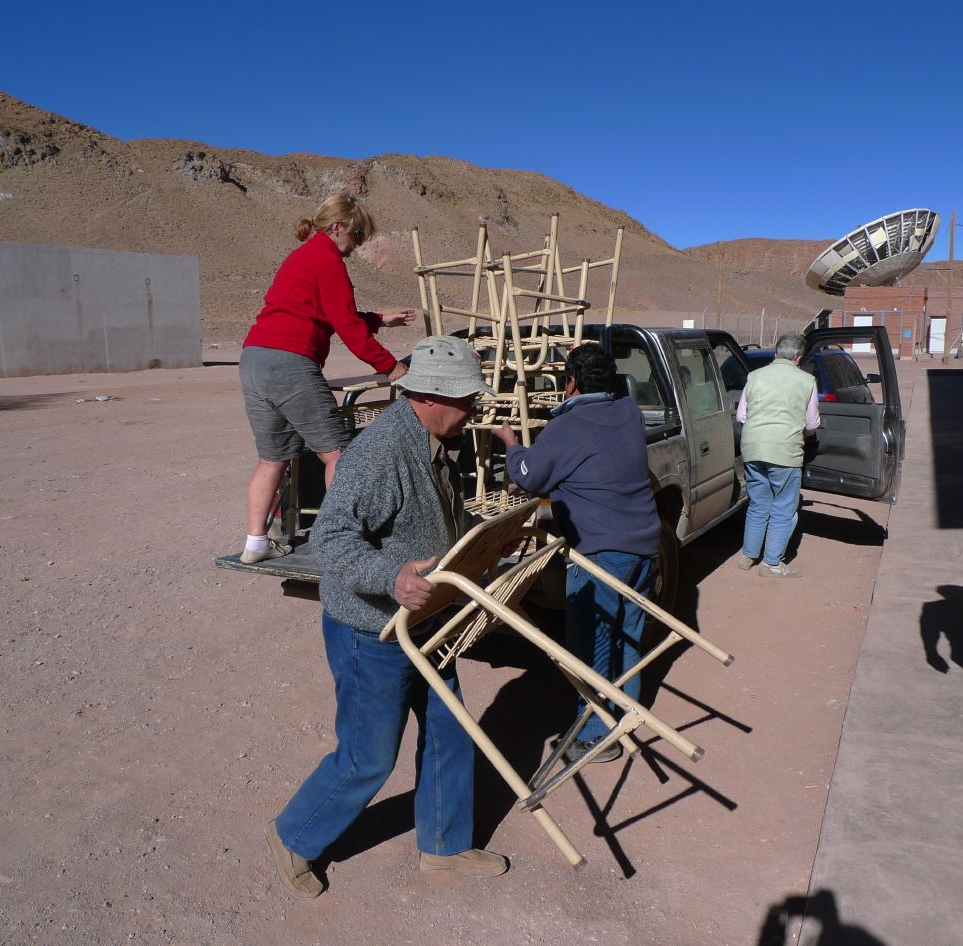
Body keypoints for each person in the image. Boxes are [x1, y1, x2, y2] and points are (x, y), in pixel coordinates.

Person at [264, 335, 507, 900]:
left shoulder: (436, 440)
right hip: (371, 628)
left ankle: (445, 848)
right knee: (368, 757)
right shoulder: (381, 453)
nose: (473, 410)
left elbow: (443, 515)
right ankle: (293, 837)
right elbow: (331, 537)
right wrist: (392, 576)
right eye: (466, 400)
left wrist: (484, 539)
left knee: (451, 733)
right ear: (426, 395)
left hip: (428, 623)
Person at [494, 343, 660, 764]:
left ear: (570, 383)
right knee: (627, 636)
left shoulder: (568, 427)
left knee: (593, 645)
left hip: (602, 555)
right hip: (643, 546)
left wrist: (511, 442)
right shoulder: (628, 412)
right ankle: (624, 715)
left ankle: (594, 736)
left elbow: (528, 476)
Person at [238, 194, 417, 564]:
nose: (358, 244)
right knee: (338, 453)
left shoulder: (303, 256)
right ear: (338, 227)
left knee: (272, 458)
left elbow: (329, 314)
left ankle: (256, 542)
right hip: (289, 362)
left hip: (255, 358)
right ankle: (339, 541)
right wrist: (392, 368)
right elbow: (347, 326)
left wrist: (380, 320)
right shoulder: (327, 259)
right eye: (357, 234)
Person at [735, 332, 820, 578]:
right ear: (799, 358)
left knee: (758, 503)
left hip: (752, 448)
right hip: (785, 450)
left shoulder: (754, 376)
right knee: (784, 507)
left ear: (775, 354)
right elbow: (812, 423)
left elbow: (741, 416)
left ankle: (748, 555)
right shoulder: (807, 380)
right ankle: (772, 564)